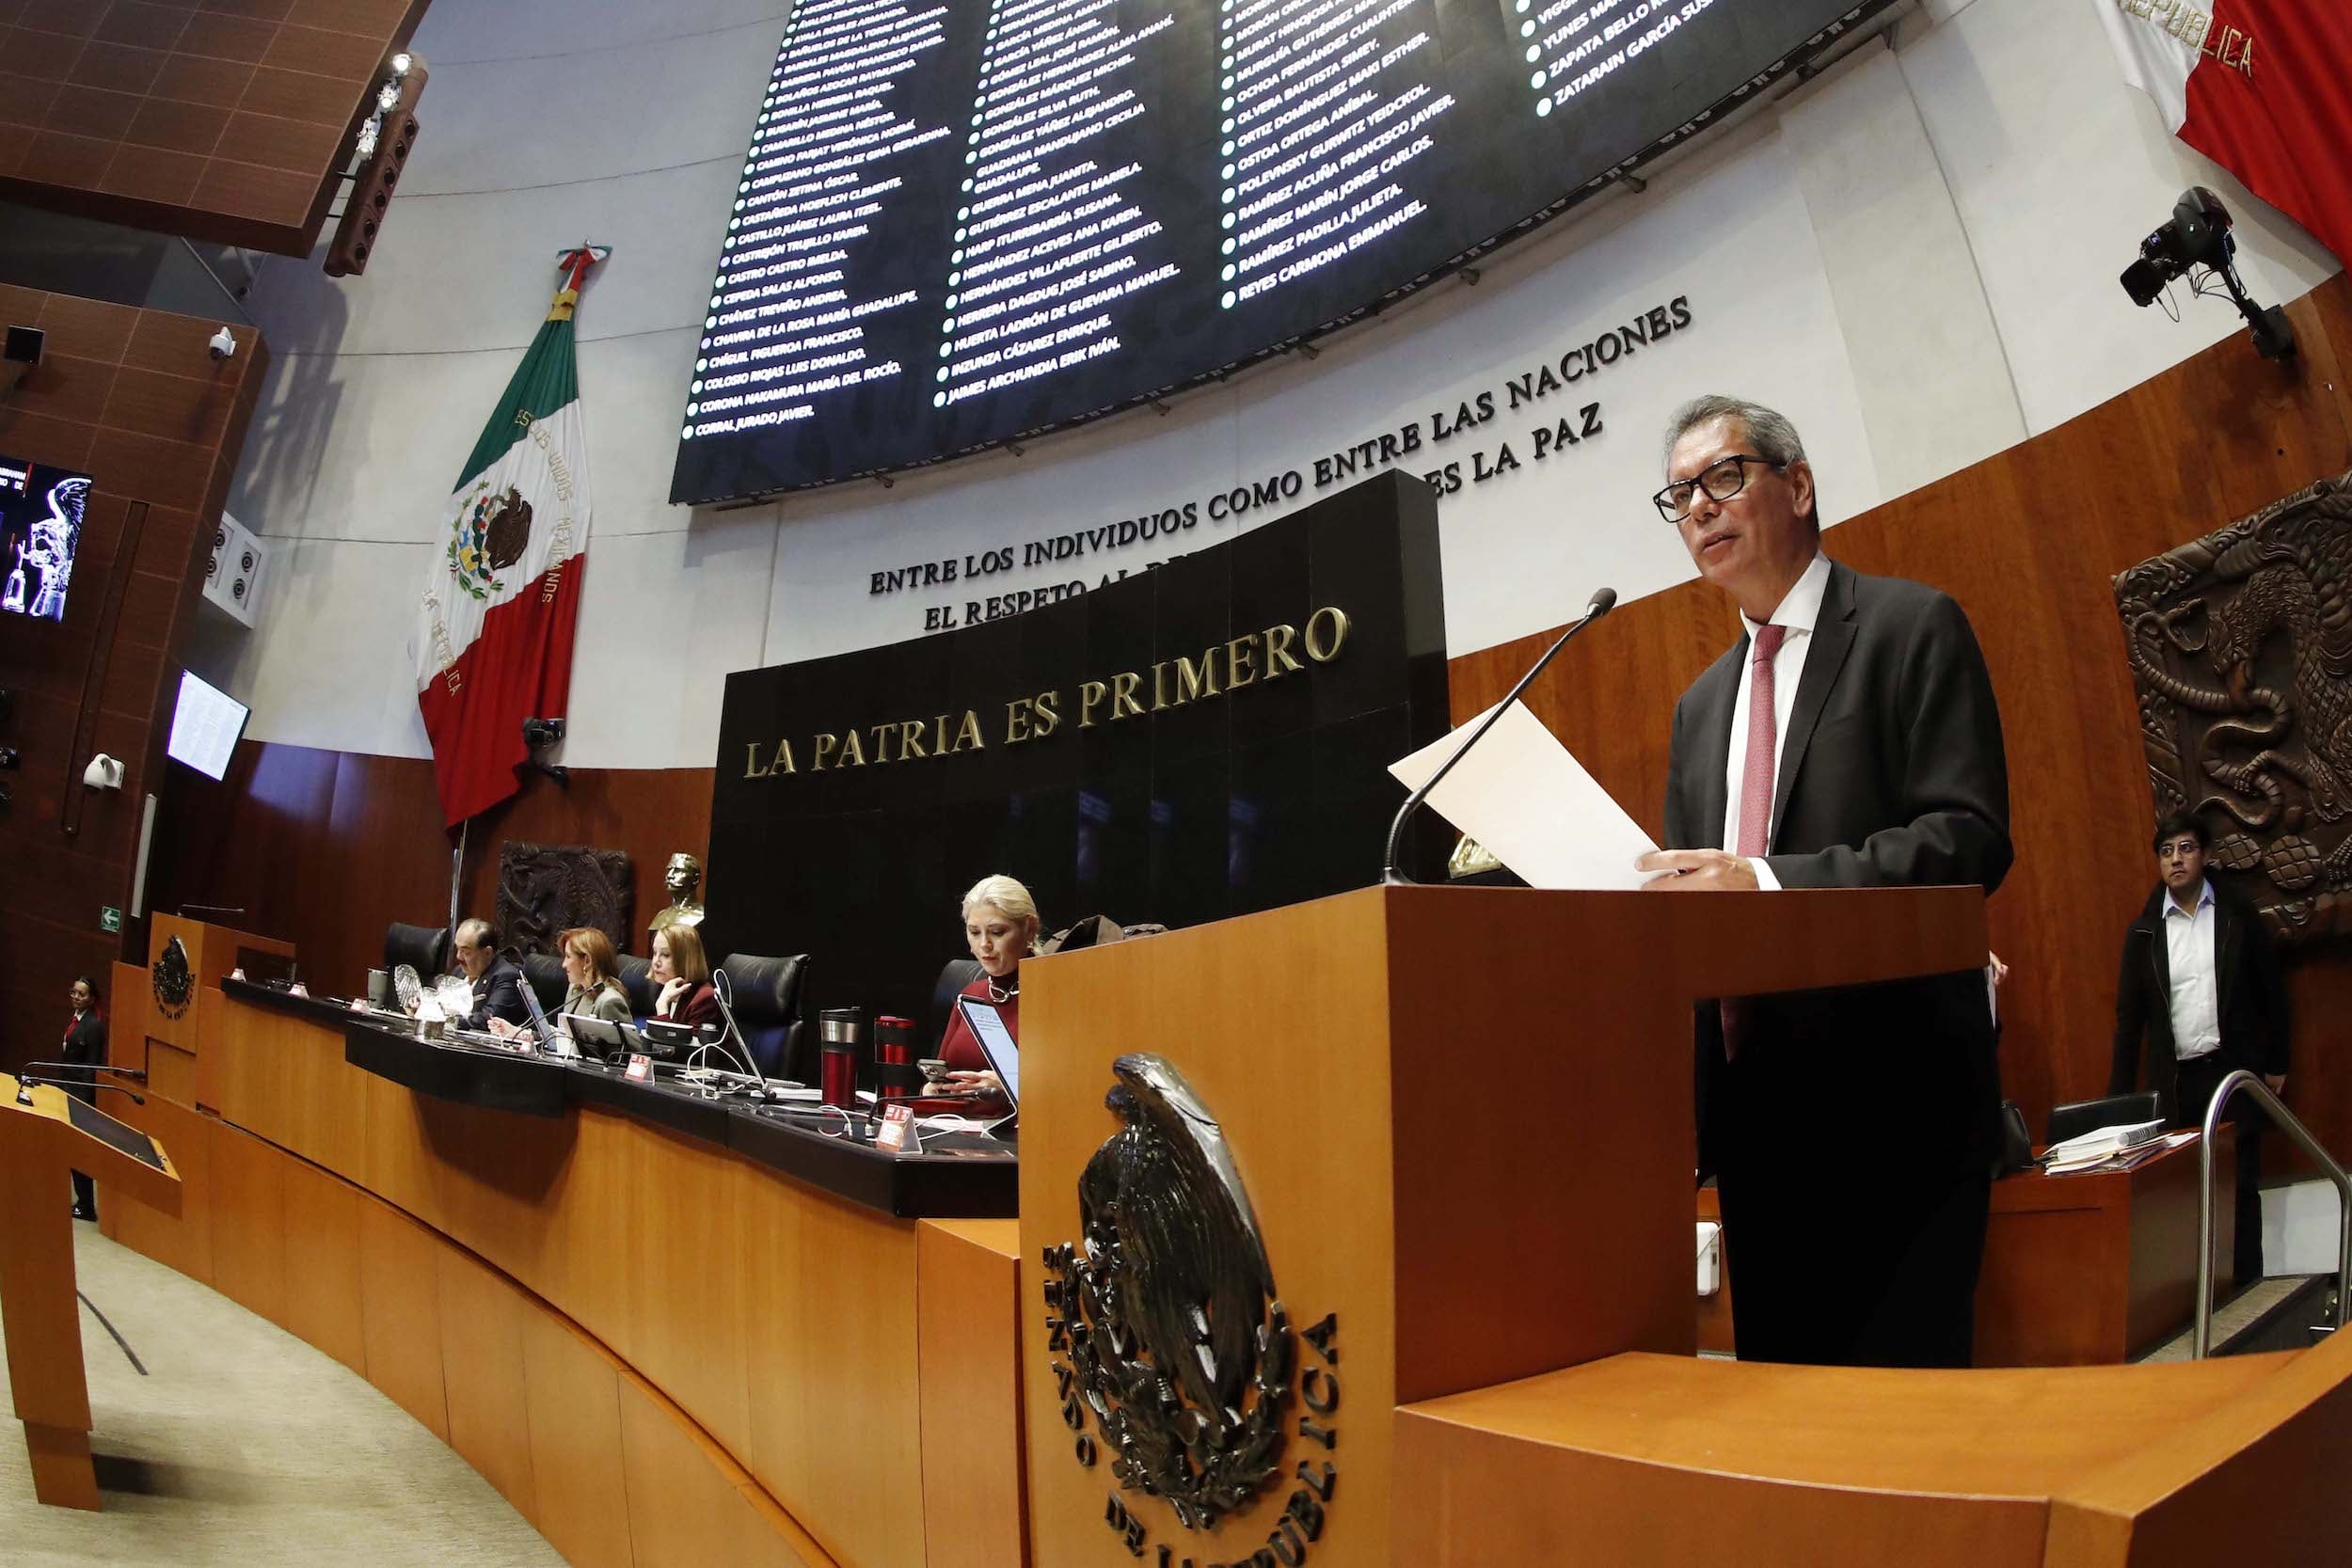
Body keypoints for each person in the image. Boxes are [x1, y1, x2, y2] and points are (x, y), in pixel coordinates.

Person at [1635, 394, 2011, 1369]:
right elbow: (1695, 913)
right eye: (1680, 495)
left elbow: (1966, 839)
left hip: (1895, 1104)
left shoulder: (1908, 625)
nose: (1701, 509)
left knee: (1906, 1422)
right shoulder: (1697, 709)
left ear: (1796, 485)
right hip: (1758, 1126)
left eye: (1725, 477)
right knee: (1791, 1427)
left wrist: (1761, 880)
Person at [2109, 811, 2287, 1283]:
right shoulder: (2144, 933)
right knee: (2184, 1196)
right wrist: (2119, 1102)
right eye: (2166, 852)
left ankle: (2249, 1291)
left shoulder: (2236, 914)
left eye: (2186, 848)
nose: (2176, 860)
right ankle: (2202, 1300)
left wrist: (2278, 1062)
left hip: (2232, 1073)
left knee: (2241, 1187)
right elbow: (2130, 1023)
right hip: (2176, 1081)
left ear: (2205, 856)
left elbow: (2272, 990)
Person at [938, 874, 1039, 1101]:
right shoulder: (970, 994)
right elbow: (942, 1073)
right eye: (974, 932)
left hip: (1020, 1129)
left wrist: (1013, 1084)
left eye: (997, 932)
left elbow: (1069, 1083)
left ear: (1030, 928)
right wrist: (933, 1090)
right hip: (956, 1124)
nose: (984, 944)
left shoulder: (1055, 994)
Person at [62, 975, 106, 1221]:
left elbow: (92, 1066)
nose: (76, 997)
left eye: (82, 994)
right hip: (67, 1090)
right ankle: (81, 1201)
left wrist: (82, 1099)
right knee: (69, 1148)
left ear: (92, 998)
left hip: (80, 1096)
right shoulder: (77, 1020)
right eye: (74, 992)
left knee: (79, 1151)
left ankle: (86, 1205)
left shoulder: (94, 1025)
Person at [452, 917, 529, 1032]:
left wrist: (447, 1020)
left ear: (487, 952)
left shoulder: (507, 976)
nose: (458, 957)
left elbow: (488, 1019)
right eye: (457, 949)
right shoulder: (459, 972)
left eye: (466, 952)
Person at [648, 922, 720, 1030]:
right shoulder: (662, 988)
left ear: (686, 959)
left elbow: (673, 1046)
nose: (656, 962)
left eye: (665, 955)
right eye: (654, 953)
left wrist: (662, 1007)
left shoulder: (704, 999)